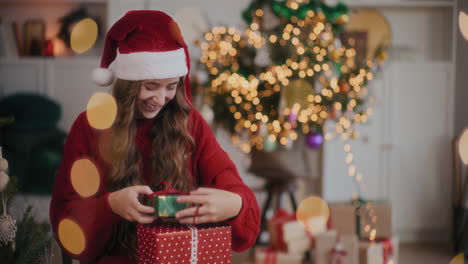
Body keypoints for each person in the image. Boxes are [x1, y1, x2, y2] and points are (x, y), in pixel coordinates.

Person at [49, 10, 260, 264]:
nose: (160, 99)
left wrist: (234, 204)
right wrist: (111, 205)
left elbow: (242, 203)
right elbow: (65, 222)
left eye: (171, 87)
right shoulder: (90, 126)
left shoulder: (190, 124)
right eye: (150, 87)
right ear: (128, 83)